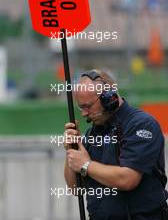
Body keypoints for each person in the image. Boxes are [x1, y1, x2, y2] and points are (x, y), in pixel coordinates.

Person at [64, 69, 168, 220]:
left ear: (109, 98)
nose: (84, 113)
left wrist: (86, 165)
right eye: (81, 107)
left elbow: (128, 179)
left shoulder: (142, 124)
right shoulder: (91, 133)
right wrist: (71, 151)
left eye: (88, 106)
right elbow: (76, 188)